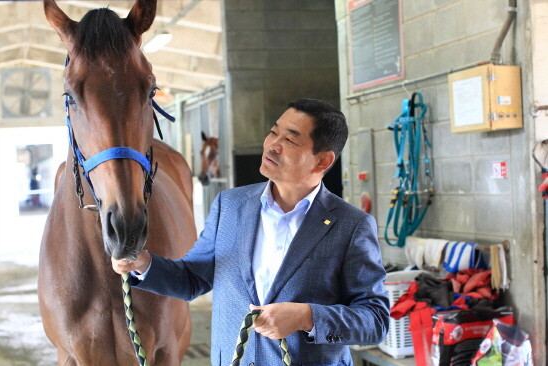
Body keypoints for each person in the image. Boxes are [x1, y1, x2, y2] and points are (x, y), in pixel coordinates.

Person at [112, 98, 389, 365]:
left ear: (322, 161)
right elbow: (193, 277)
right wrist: (144, 264)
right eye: (273, 132)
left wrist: (307, 316)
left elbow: (375, 320)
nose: (272, 145)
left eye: (290, 140)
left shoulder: (351, 225)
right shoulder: (229, 206)